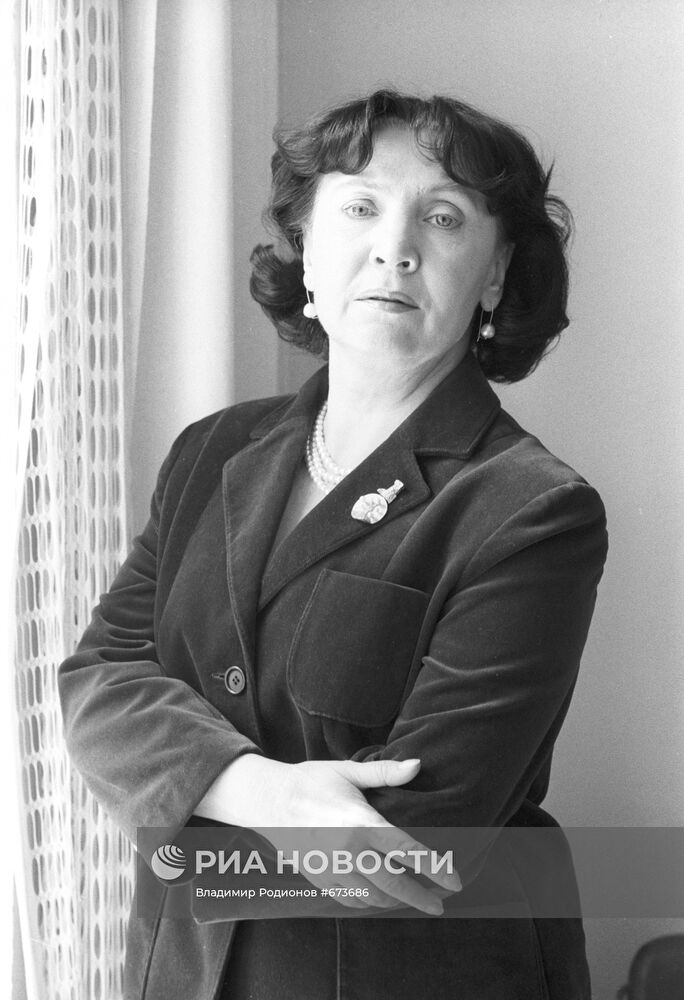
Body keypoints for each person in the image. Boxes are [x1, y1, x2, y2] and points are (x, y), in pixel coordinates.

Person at [59, 89, 608, 999]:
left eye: (443, 216)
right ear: (307, 252)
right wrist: (265, 793)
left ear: (497, 273)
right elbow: (98, 682)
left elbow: (416, 839)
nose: (396, 246)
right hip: (180, 972)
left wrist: (169, 799)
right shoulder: (212, 450)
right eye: (360, 207)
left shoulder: (534, 510)